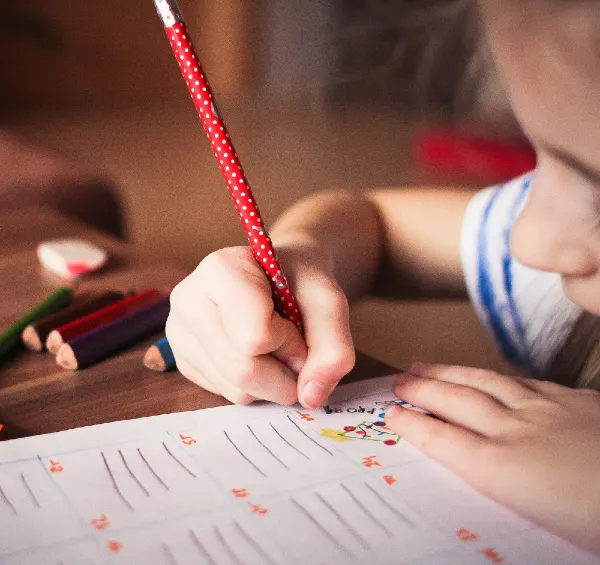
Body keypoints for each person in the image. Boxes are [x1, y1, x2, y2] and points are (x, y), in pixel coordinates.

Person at [166, 0, 600, 554]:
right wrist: (304, 255)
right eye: (537, 159)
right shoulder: (559, 245)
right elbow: (374, 224)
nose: (525, 239)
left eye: (597, 189)